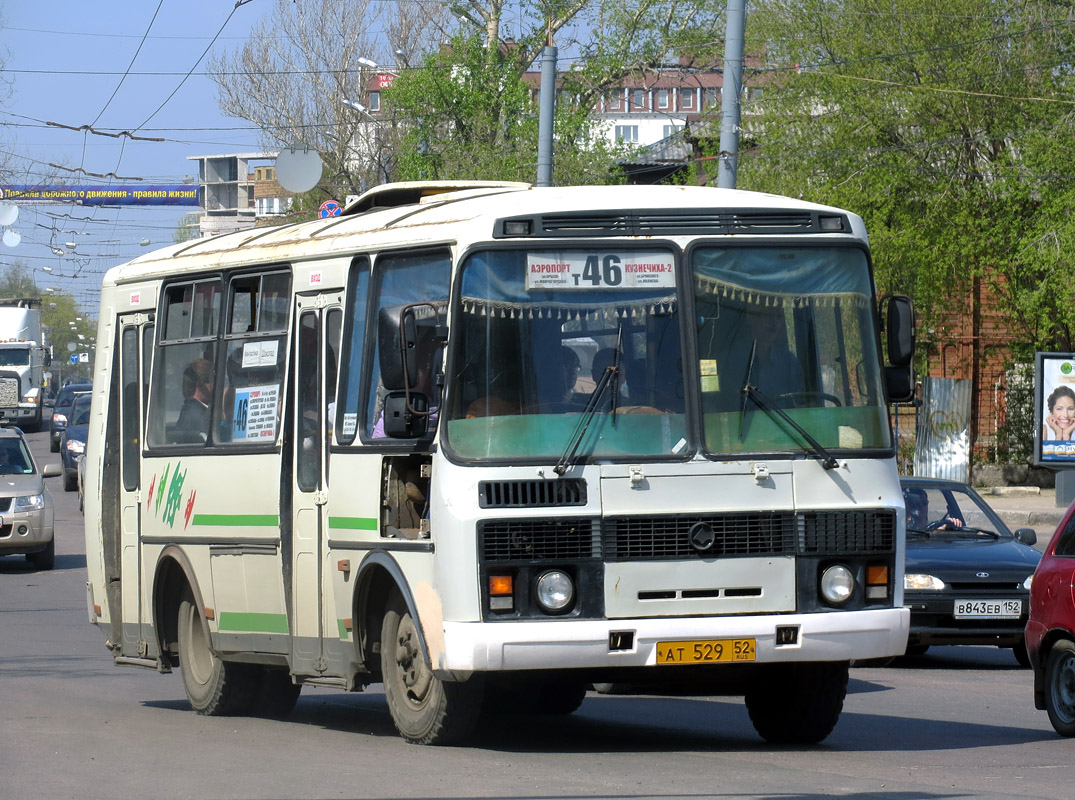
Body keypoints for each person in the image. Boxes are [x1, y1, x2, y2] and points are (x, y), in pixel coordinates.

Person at [742, 306, 805, 404]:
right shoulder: (731, 360)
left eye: (779, 317)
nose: (774, 323)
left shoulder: (790, 364)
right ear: (750, 316)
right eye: (768, 315)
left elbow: (800, 406)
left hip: (783, 420)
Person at [175, 358, 214, 441]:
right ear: (200, 384)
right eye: (212, 381)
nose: (215, 387)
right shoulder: (198, 417)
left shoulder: (188, 410)